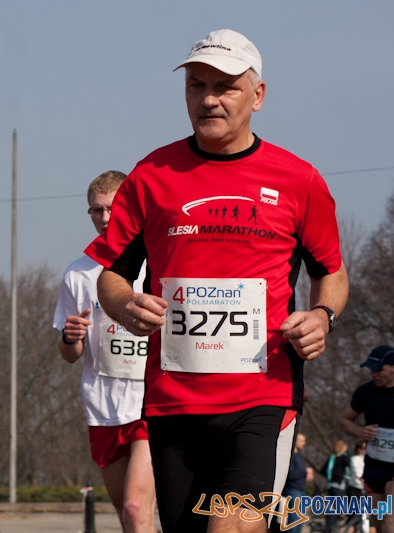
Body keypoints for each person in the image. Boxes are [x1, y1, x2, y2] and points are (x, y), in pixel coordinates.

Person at [84, 29, 349, 533]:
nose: (207, 99)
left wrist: (322, 316)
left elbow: (331, 273)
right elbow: (111, 275)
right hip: (172, 399)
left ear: (258, 95)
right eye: (196, 85)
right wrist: (123, 306)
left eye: (224, 87)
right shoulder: (152, 176)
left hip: (262, 398)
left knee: (230, 526)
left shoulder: (298, 180)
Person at [53, 171, 155, 533]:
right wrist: (70, 336)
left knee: (135, 507)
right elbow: (70, 355)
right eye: (96, 211)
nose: (105, 219)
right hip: (103, 406)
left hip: (151, 402)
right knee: (127, 516)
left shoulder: (156, 260)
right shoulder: (77, 274)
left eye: (112, 208)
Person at [340, 345, 394, 533]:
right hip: (374, 466)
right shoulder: (365, 392)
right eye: (371, 369)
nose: (374, 374)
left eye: (379, 369)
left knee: (390, 522)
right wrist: (360, 432)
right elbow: (345, 420)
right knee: (379, 523)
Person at [274, 433, 312, 533]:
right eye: (302, 441)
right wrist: (305, 471)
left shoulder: (298, 456)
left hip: (301, 490)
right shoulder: (289, 456)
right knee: (294, 518)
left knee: (301, 518)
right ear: (295, 441)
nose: (304, 443)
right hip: (293, 489)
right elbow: (290, 474)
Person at [320, 439, 350, 533]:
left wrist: (331, 477)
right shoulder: (343, 458)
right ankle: (328, 529)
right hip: (338, 486)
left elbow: (322, 470)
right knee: (337, 509)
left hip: (331, 486)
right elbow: (350, 468)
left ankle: (328, 528)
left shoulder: (332, 458)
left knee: (333, 508)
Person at [345, 440, 366, 533]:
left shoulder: (368, 460)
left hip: (366, 491)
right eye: (364, 448)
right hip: (355, 490)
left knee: (367, 518)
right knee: (354, 516)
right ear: (359, 449)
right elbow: (358, 474)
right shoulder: (355, 459)